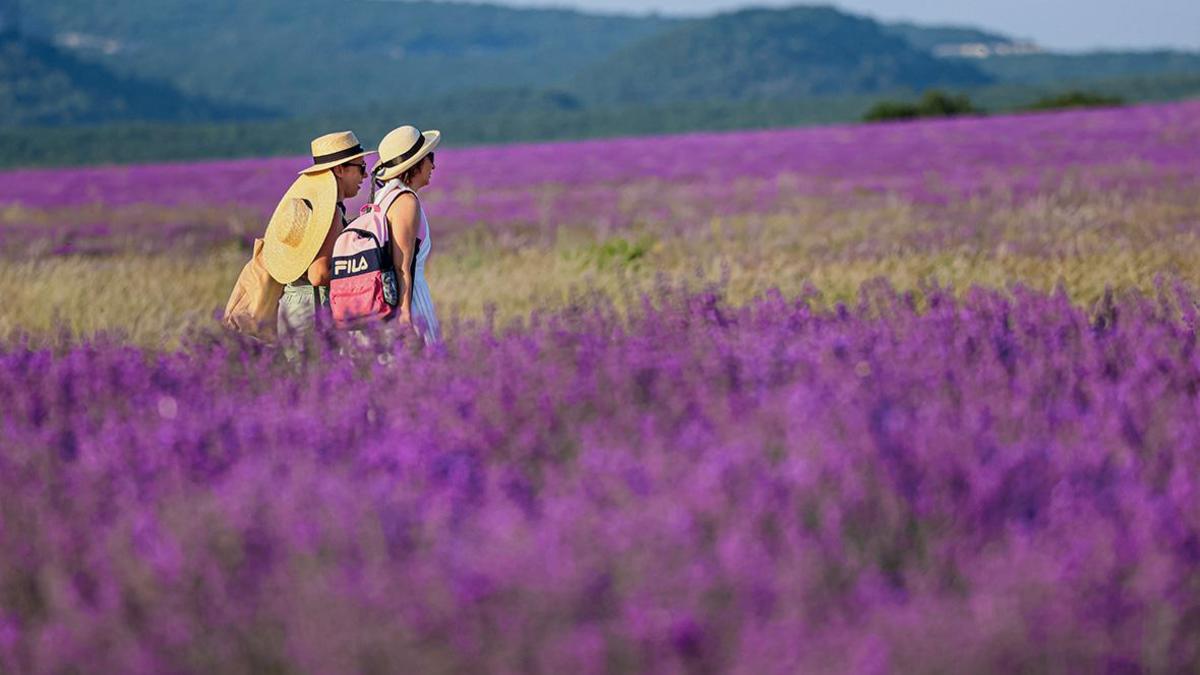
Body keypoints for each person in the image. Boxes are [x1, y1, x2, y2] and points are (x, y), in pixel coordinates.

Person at [262, 131, 374, 336]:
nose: (365, 175)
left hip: (295, 305)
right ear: (340, 169)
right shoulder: (330, 212)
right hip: (311, 309)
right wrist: (360, 274)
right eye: (362, 168)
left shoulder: (321, 207)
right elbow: (318, 274)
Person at [370, 125, 442, 345]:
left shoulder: (382, 196)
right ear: (416, 164)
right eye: (429, 157)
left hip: (384, 299)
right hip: (408, 300)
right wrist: (405, 315)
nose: (434, 165)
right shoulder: (405, 201)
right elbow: (402, 266)